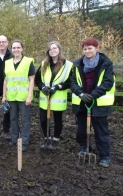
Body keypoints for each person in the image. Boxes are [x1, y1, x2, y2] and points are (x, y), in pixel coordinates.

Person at [71, 38, 115, 168]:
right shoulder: (78, 64)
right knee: (82, 129)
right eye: (85, 49)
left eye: (90, 48)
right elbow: (73, 82)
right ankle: (85, 147)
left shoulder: (105, 63)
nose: (87, 51)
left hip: (98, 102)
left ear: (96, 48)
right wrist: (80, 94)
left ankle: (105, 156)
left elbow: (108, 82)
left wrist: (93, 95)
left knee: (101, 130)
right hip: (82, 101)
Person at [35, 41, 73, 150]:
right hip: (45, 97)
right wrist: (42, 87)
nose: (52, 50)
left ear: (59, 49)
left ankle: (56, 139)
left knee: (57, 119)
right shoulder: (44, 64)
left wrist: (58, 87)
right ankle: (46, 136)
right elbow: (38, 79)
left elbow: (70, 81)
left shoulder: (68, 65)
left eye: (54, 48)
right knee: (43, 119)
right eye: (50, 49)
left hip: (58, 97)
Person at [2, 39, 35, 151]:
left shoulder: (28, 61)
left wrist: (29, 96)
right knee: (13, 118)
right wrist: (4, 95)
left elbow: (31, 80)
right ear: (11, 49)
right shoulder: (7, 63)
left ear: (22, 49)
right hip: (11, 96)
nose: (16, 50)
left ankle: (24, 141)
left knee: (25, 120)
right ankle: (14, 138)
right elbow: (6, 80)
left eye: (18, 47)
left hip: (24, 96)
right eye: (14, 48)